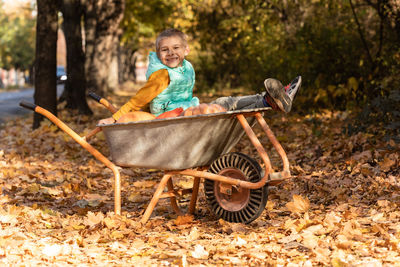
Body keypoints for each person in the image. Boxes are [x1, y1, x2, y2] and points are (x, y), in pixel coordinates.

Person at [98, 28, 301, 125]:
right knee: (221, 106)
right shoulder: (161, 75)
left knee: (225, 103)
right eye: (164, 50)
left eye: (176, 48)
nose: (170, 53)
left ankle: (269, 100)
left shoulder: (185, 68)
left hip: (184, 113)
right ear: (158, 53)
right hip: (173, 120)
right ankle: (266, 100)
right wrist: (116, 118)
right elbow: (139, 100)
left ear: (186, 50)